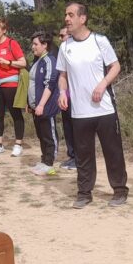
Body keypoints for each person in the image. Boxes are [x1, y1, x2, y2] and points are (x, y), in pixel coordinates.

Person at [57, 2, 128, 209]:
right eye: (66, 15)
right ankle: (84, 193)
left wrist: (103, 84)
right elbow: (62, 75)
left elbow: (116, 66)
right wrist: (63, 92)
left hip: (104, 109)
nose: (67, 19)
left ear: (82, 18)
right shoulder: (65, 47)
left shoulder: (100, 41)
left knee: (112, 152)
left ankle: (120, 190)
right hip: (79, 112)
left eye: (71, 15)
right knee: (83, 154)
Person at [0, 18, 27, 157]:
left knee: (16, 114)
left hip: (10, 84)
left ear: (4, 30)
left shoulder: (12, 43)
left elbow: (23, 63)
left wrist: (7, 62)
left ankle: (18, 144)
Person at [27, 32, 60, 176]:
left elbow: (50, 84)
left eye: (36, 44)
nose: (32, 47)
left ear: (45, 45)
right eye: (33, 44)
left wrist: (41, 105)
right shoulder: (37, 60)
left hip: (45, 106)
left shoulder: (49, 60)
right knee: (41, 135)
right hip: (36, 107)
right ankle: (44, 160)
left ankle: (50, 163)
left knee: (49, 135)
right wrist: (30, 103)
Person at [57, 26, 76, 170]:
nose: (59, 38)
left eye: (62, 35)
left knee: (75, 128)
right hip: (65, 96)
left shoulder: (76, 54)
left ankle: (78, 158)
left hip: (76, 97)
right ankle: (72, 156)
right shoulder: (62, 53)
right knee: (67, 127)